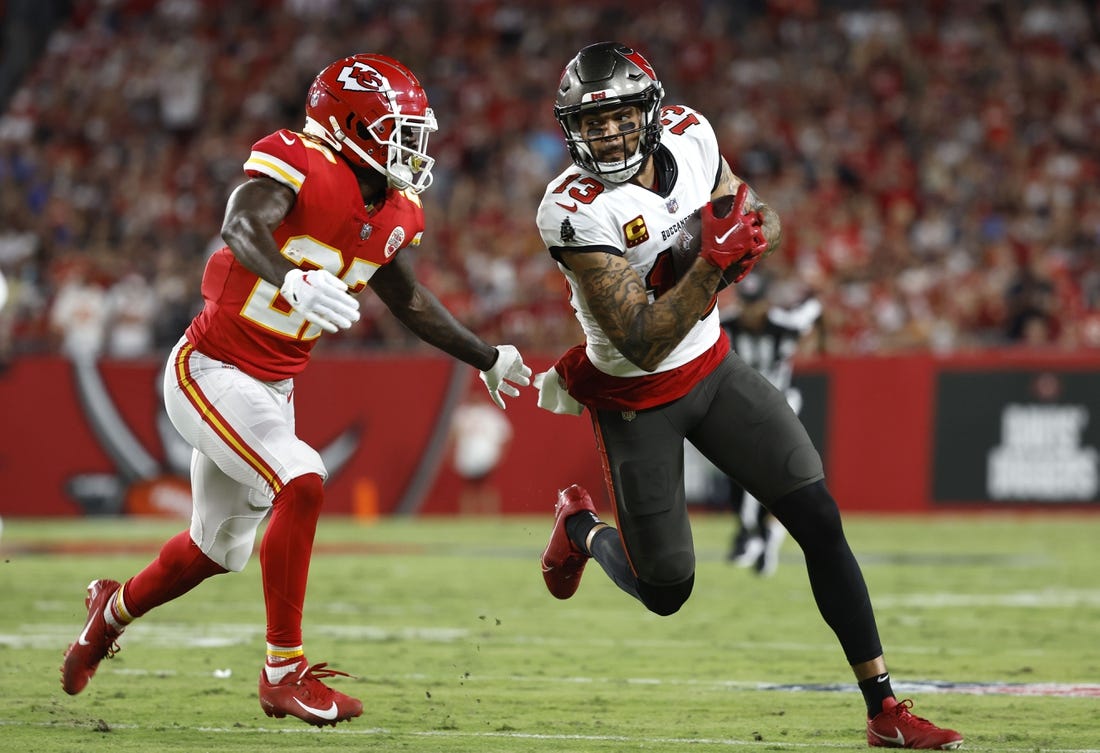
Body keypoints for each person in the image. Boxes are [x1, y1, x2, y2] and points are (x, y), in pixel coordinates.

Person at [60, 53, 531, 727]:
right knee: (303, 474)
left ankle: (107, 614)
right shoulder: (300, 160)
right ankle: (283, 671)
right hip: (210, 369)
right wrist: (289, 276)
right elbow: (241, 224)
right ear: (349, 125)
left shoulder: (394, 207)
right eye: (397, 129)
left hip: (271, 387)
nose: (413, 146)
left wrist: (486, 355)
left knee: (215, 549)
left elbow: (407, 297)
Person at [533, 42, 962, 750]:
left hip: (714, 366)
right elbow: (641, 339)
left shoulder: (691, 134)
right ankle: (581, 529)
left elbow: (757, 214)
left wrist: (751, 233)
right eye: (590, 120)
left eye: (616, 115)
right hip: (636, 394)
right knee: (667, 590)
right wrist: (714, 262)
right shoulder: (572, 209)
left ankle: (884, 707)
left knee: (819, 515)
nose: (606, 132)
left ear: (650, 110)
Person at [722, 271, 822, 576]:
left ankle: (755, 534)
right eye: (745, 304)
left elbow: (815, 307)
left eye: (755, 304)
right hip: (743, 411)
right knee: (742, 477)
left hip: (781, 407)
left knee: (771, 477)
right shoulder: (726, 322)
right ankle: (756, 532)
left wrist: (816, 339)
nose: (750, 311)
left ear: (766, 303)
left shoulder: (785, 323)